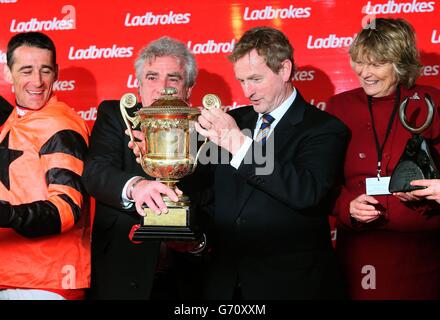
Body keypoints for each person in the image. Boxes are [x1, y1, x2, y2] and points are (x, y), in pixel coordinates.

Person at [193, 26, 349, 299]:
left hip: (292, 286)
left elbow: (307, 192)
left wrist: (239, 145)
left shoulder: (323, 128)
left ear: (285, 70)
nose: (247, 91)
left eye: (255, 79)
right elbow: (207, 192)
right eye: (242, 81)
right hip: (225, 285)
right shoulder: (235, 121)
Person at [326, 18, 440, 299]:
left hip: (424, 253)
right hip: (360, 251)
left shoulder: (433, 102)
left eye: (376, 64)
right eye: (359, 62)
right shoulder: (339, 108)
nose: (365, 73)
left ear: (400, 64)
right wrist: (346, 206)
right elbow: (319, 183)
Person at [82, 36, 203, 300]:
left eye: (174, 78)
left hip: (185, 280)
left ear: (189, 88)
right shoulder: (116, 116)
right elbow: (95, 172)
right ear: (138, 85)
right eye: (152, 77)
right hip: (122, 272)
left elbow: (214, 203)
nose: (162, 88)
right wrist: (138, 186)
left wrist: (197, 244)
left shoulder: (204, 130)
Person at [0, 32, 90, 300]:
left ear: (57, 73)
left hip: (46, 281)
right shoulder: (14, 120)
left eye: (45, 71)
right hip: (11, 276)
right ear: (8, 74)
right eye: (26, 70)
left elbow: (68, 207)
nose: (37, 81)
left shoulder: (60, 125)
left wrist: (7, 215)